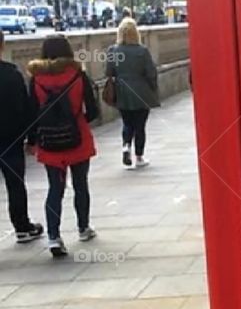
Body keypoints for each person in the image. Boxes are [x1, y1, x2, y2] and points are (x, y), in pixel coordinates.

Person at [28, 34, 100, 259]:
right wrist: (77, 122)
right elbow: (94, 110)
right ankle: (83, 228)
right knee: (80, 184)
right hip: (77, 139)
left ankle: (53, 237)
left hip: (49, 143)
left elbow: (32, 114)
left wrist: (32, 141)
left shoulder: (36, 79)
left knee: (55, 188)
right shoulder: (78, 75)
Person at [0, 30, 43, 245]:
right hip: (10, 139)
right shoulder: (12, 74)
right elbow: (26, 110)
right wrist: (32, 138)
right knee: (15, 184)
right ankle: (22, 227)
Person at [105, 18, 160, 168]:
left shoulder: (113, 51)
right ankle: (139, 157)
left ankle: (126, 146)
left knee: (127, 122)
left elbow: (109, 72)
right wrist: (153, 88)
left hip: (122, 91)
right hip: (141, 91)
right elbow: (151, 73)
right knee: (140, 125)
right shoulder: (142, 51)